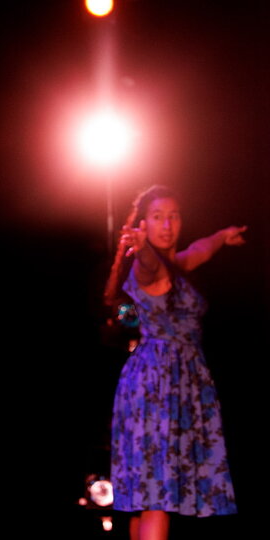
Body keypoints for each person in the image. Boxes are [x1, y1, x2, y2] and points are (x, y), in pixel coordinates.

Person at [104, 185, 244, 539]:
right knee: (157, 497)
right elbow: (150, 263)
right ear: (143, 224)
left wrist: (223, 235)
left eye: (174, 216)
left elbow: (201, 249)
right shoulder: (147, 267)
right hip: (159, 383)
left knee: (147, 497)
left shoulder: (178, 263)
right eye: (157, 217)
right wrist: (143, 247)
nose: (167, 224)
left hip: (175, 382)